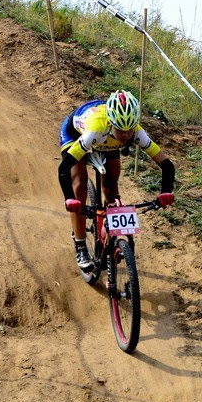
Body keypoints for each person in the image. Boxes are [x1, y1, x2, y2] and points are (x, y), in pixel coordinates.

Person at [58, 90, 175, 270]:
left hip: (106, 139)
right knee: (79, 185)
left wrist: (166, 192)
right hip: (75, 132)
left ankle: (109, 231)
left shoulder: (135, 132)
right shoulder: (96, 130)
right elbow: (63, 169)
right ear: (112, 122)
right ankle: (80, 245)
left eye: (129, 130)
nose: (125, 135)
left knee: (111, 188)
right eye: (121, 129)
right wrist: (69, 198)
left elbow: (166, 165)